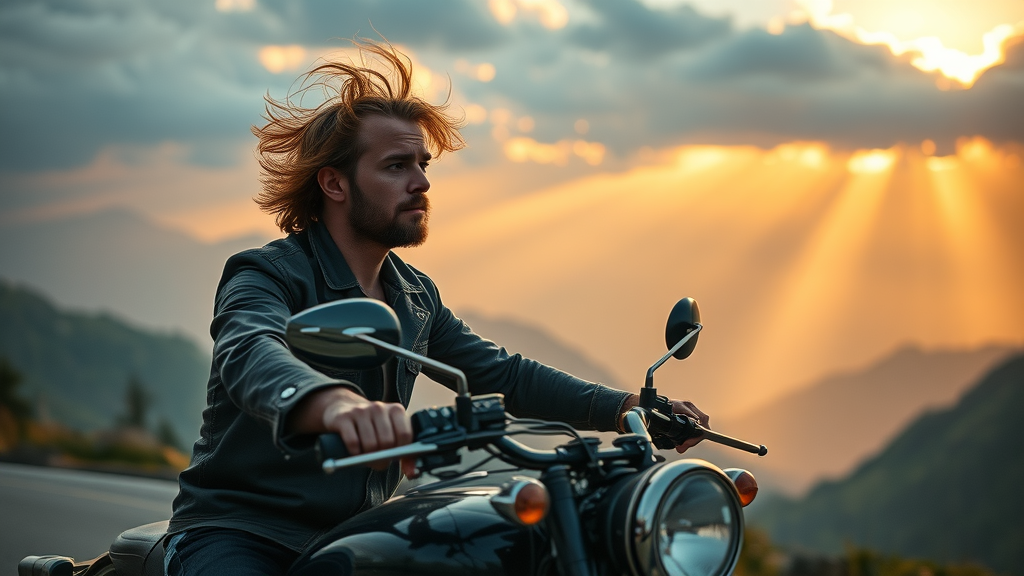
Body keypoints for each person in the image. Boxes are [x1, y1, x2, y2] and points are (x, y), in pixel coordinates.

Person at [165, 39, 709, 576]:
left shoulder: (415, 295)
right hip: (240, 532)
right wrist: (337, 406)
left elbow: (502, 374)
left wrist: (625, 406)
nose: (422, 183)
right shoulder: (267, 273)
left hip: (352, 536)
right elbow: (249, 349)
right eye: (397, 166)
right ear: (334, 182)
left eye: (423, 164)